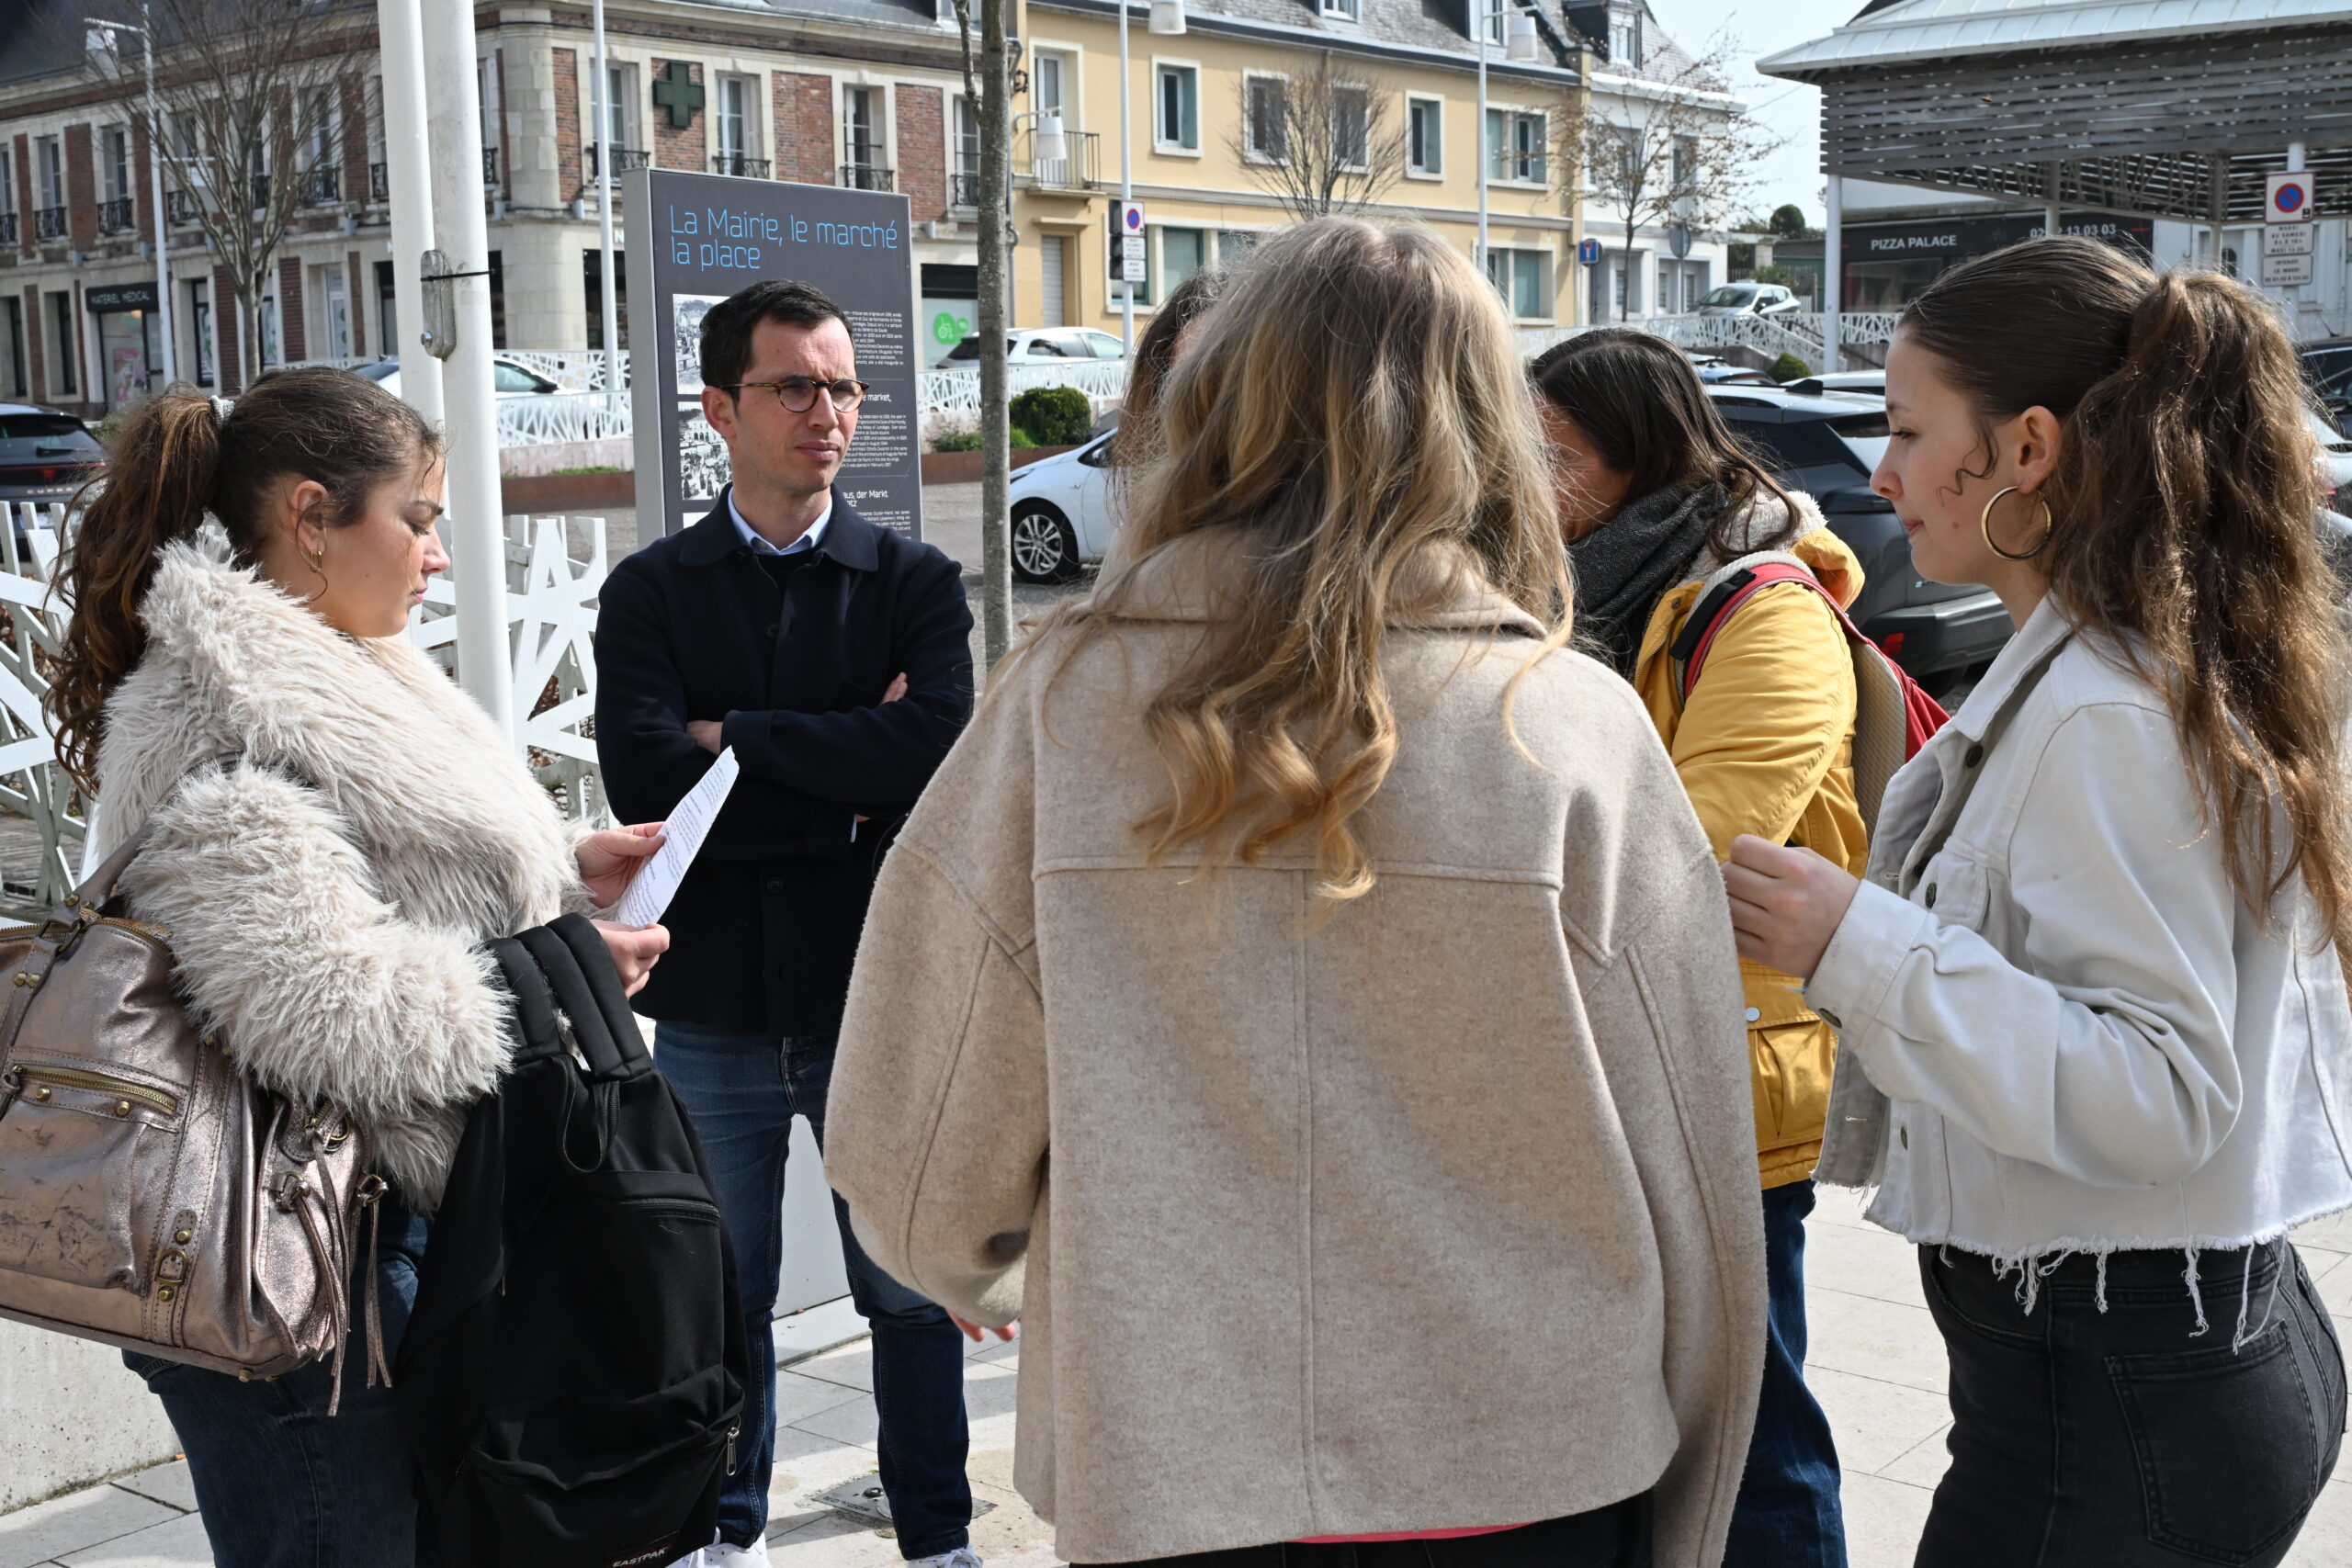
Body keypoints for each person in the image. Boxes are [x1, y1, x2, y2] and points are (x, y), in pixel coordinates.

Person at [823, 218, 1766, 1568]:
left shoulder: (1059, 715)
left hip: (1181, 1460)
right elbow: (1699, 1178)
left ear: (1220, 404)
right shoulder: (1572, 726)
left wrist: (1032, 1273)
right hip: (1531, 1454)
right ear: (1485, 424)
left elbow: (911, 1150)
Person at [1724, 236, 2352, 1568]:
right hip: (2146, 1374)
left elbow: (2166, 1093)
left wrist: (1853, 944)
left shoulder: (2101, 713)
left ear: (2027, 449)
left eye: (1908, 431)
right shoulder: (2118, 666)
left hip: (2118, 1410)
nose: (1881, 476)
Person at [47, 368, 670, 1567]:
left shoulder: (337, 670)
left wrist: (558, 878)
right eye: (417, 519)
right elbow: (319, 1004)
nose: (436, 554)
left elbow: (387, 874)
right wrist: (555, 972)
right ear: (312, 515)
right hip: (284, 1259)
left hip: (366, 1226)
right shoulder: (221, 710)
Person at [594, 279, 978, 1568]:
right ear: (720, 407)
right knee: (725, 1298)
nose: (829, 414)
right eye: (795, 388)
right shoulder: (653, 591)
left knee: (908, 1292)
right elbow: (650, 784)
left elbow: (934, 755)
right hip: (708, 1007)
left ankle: (937, 1537)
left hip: (876, 996)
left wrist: (736, 742)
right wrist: (843, 787)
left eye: (845, 388)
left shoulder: (915, 581)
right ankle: (730, 1532)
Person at [1532, 329, 1860, 1568]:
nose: (1524, 479)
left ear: (1642, 455)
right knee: (1651, 1440)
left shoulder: (1768, 607)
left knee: (1757, 1446)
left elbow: (1699, 846)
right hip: (1609, 1067)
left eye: (1555, 453)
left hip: (1728, 1074)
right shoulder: (1569, 589)